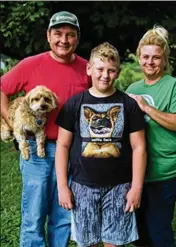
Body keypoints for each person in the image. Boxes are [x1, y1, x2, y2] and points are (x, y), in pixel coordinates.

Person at [1, 11, 90, 247]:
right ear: (48, 36)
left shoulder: (87, 68)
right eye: (58, 34)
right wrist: (13, 125)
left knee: (63, 212)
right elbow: (2, 90)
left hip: (72, 150)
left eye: (70, 35)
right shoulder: (30, 64)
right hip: (36, 148)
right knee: (34, 213)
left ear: (77, 39)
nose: (64, 40)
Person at [55, 42, 147, 247]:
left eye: (111, 70)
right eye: (100, 69)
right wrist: (62, 186)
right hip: (82, 186)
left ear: (118, 72)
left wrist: (136, 187)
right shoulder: (74, 103)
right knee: (87, 242)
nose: (105, 75)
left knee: (113, 242)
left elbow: (139, 147)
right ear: (89, 69)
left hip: (120, 186)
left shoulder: (128, 105)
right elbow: (62, 146)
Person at [126, 25, 176, 247]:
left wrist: (146, 108)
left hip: (164, 170)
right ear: (139, 57)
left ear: (164, 59)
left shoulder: (175, 86)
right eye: (146, 56)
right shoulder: (132, 87)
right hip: (137, 171)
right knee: (138, 232)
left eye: (156, 57)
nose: (150, 62)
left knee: (158, 229)